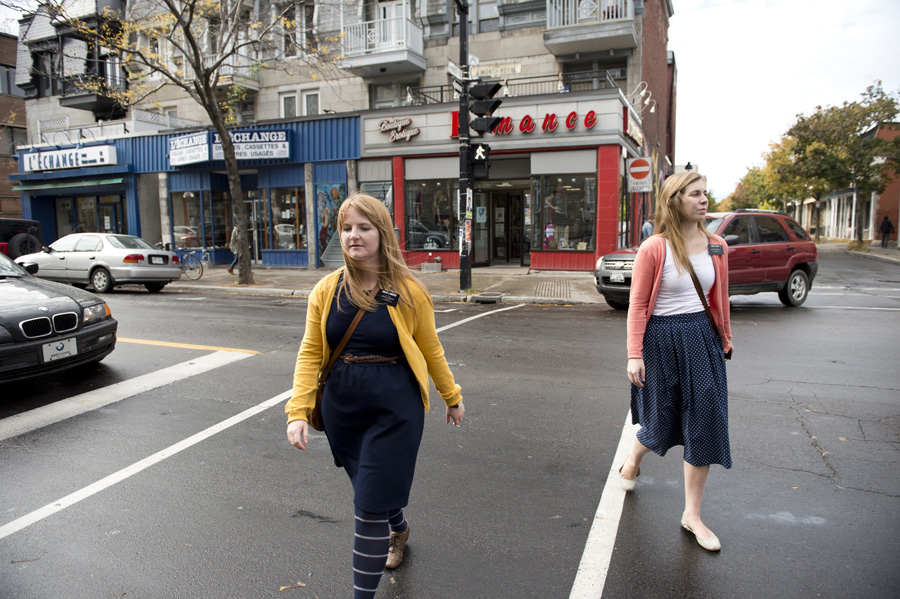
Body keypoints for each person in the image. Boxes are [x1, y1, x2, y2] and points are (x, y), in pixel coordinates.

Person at [285, 193, 464, 598]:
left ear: (382, 233)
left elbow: (431, 348)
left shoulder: (409, 291)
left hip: (394, 410)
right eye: (347, 228)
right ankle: (399, 528)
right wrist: (297, 411)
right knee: (371, 490)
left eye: (364, 227)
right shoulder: (326, 290)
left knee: (367, 507)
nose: (354, 235)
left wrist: (451, 396)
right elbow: (310, 352)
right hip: (343, 412)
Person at [622, 171, 733, 552]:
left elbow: (721, 298)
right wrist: (634, 354)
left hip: (701, 338)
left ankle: (692, 514)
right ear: (674, 200)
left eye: (705, 193)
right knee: (661, 421)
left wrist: (725, 338)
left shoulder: (717, 246)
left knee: (704, 421)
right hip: (661, 340)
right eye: (695, 194)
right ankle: (634, 457)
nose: (704, 200)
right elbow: (638, 304)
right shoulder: (654, 247)